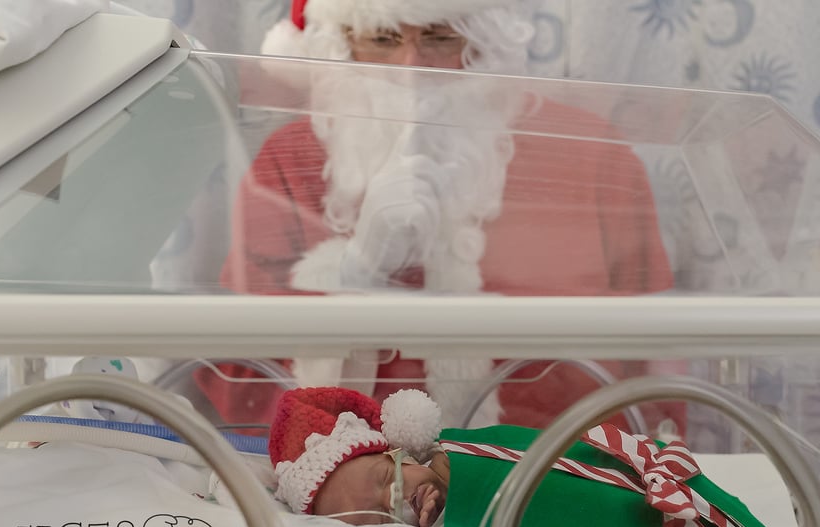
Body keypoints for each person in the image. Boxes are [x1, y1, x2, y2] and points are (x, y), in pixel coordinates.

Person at [199, 0, 683, 437]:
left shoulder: (591, 154)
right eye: (383, 39)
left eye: (439, 36)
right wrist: (357, 270)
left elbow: (658, 354)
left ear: (484, 40)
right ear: (342, 46)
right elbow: (238, 376)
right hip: (348, 500)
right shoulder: (287, 162)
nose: (411, 69)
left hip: (551, 483)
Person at [269, 386, 798, 527]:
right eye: (379, 513)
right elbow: (515, 519)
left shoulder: (452, 449)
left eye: (389, 477)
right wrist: (458, 509)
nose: (401, 498)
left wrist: (456, 476)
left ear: (402, 447)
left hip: (634, 468)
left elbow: (526, 446)